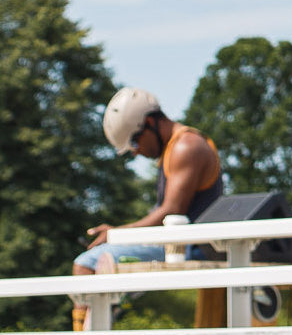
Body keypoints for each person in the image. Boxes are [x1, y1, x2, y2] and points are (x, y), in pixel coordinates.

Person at [73, 86, 222, 276]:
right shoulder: (173, 148)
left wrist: (117, 234)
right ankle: (112, 307)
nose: (135, 152)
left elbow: (171, 211)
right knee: (99, 264)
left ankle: (96, 306)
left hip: (190, 246)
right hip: (178, 243)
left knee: (88, 264)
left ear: (149, 122)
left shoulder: (185, 146)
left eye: (134, 142)